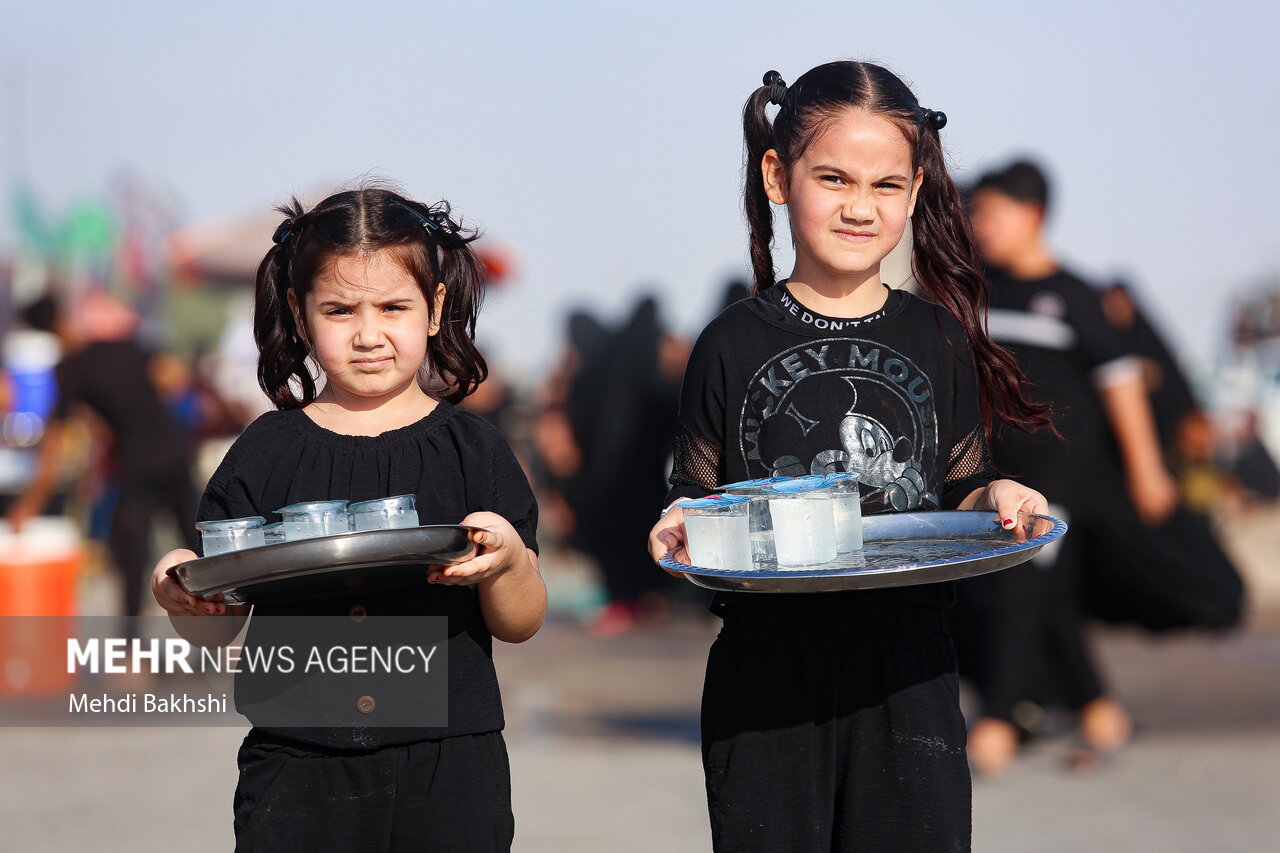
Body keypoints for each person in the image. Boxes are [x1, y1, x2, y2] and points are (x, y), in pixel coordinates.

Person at [647, 62, 1052, 852]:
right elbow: (692, 497)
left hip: (909, 672)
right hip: (765, 676)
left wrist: (1000, 494)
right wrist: (675, 526)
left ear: (916, 189)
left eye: (886, 185)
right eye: (834, 178)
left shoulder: (936, 337)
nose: (860, 207)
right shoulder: (729, 341)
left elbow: (962, 489)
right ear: (777, 175)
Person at [150, 187, 546, 853]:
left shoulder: (472, 449)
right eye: (339, 309)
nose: (367, 333)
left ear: (435, 310)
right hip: (296, 765)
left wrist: (507, 559)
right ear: (302, 319)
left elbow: (520, 621)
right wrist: (183, 594)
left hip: (449, 762)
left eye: (393, 306)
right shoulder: (264, 451)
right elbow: (216, 629)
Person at [959, 160, 1179, 776]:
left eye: (992, 214)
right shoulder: (981, 290)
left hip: (1063, 472)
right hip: (1002, 471)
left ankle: (998, 720)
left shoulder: (1075, 295)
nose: (981, 226)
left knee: (1021, 581)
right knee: (1044, 593)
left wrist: (1147, 468)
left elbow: (1122, 384)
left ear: (1032, 216)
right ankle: (1100, 711)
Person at [8, 291, 200, 640]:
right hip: (173, 451)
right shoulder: (122, 346)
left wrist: (29, 506)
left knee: (131, 558)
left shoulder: (71, 370)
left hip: (138, 464)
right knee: (198, 550)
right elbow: (172, 378)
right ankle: (223, 636)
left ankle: (132, 651)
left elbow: (53, 447)